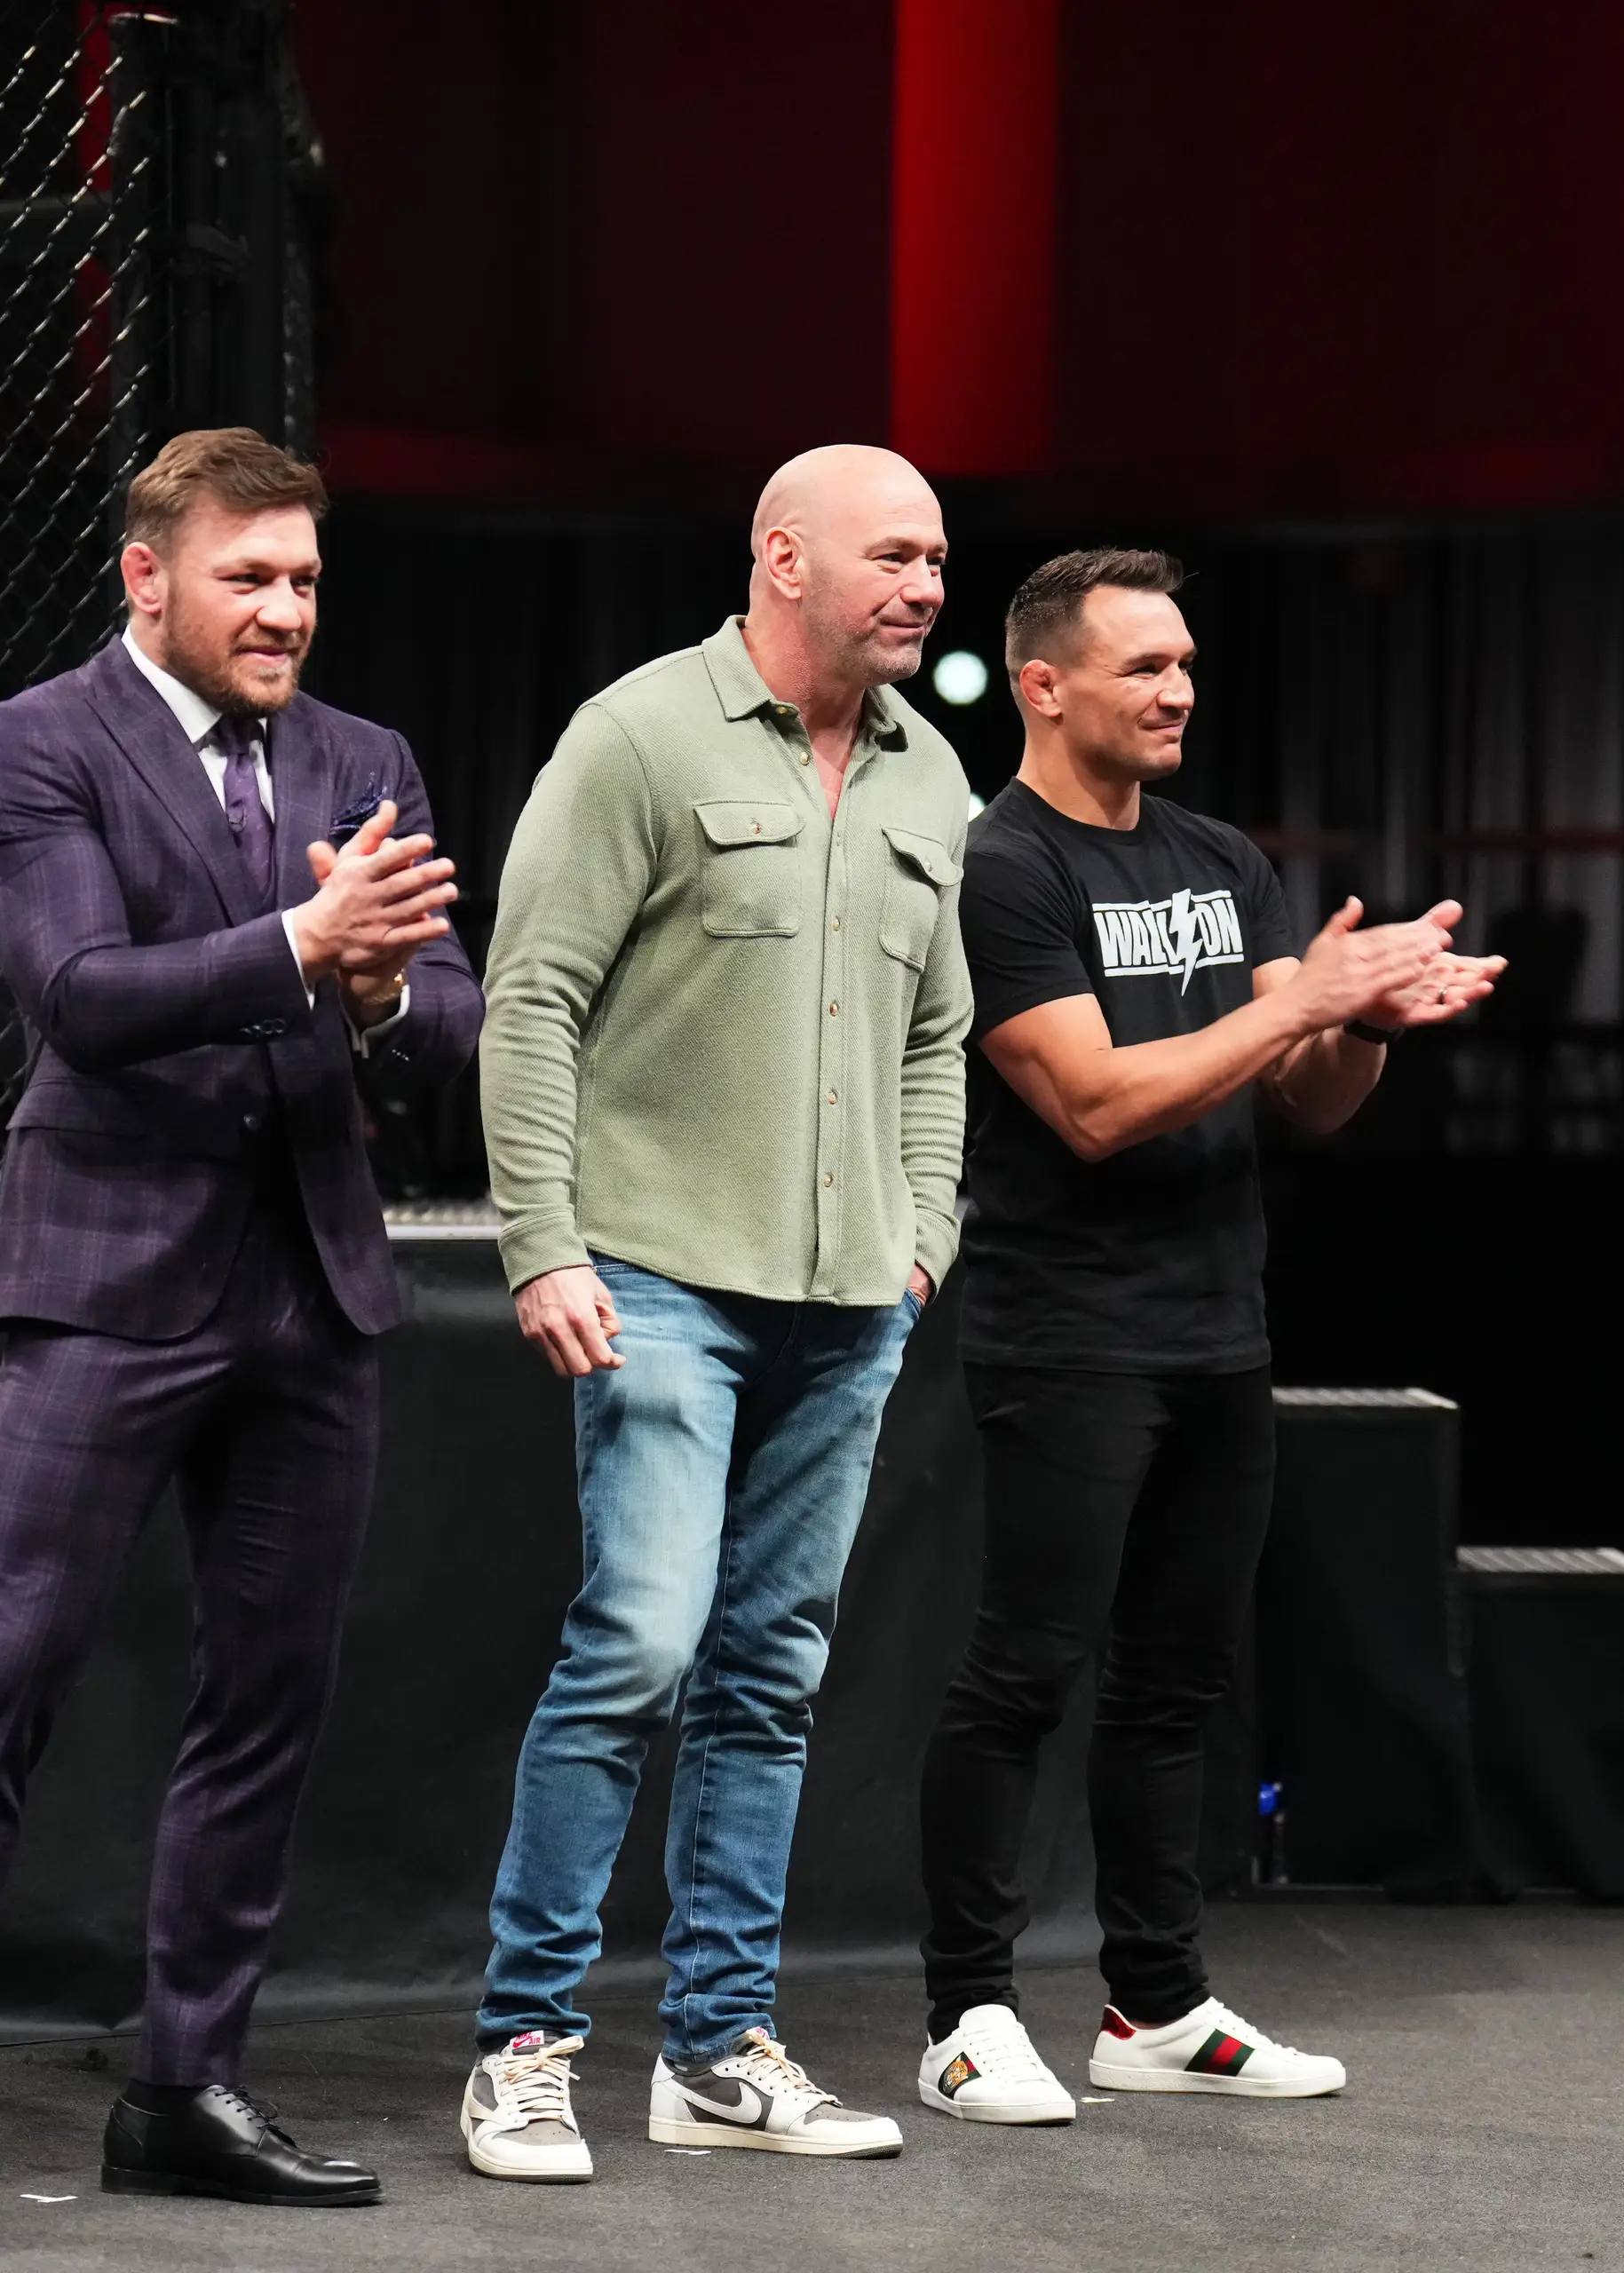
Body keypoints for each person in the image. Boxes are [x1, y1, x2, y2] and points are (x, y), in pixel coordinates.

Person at [0, 428, 479, 2233]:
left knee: (267, 1697)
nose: (285, 609)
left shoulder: (364, 757)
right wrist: (306, 942)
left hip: (317, 1279)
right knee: (5, 1676)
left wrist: (375, 995)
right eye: (246, 577)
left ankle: (186, 2083)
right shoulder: (28, 744)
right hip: (111, 1273)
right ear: (149, 576)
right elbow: (83, 994)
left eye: (302, 579)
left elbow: (448, 1007)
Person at [907, 549, 1501, 2126]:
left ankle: (1153, 2004)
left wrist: (1353, 1025)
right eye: (1141, 668)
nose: (1177, 691)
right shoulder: (1003, 868)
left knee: (1178, 1684)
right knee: (1023, 1675)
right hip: (1065, 1333)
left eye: (1184, 664)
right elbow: (1096, 1106)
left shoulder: (1218, 855)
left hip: (1217, 1330)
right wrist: (1299, 996)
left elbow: (1305, 1104)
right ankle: (966, 2013)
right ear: (1044, 686)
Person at [456, 445, 971, 2182]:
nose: (924, 584)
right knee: (643, 1643)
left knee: (770, 1670)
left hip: (851, 1303)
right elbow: (528, 1004)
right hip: (660, 1274)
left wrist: (926, 1237)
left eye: (940, 559)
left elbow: (935, 1038)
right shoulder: (640, 737)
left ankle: (717, 2050)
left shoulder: (934, 779)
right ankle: (524, 2042)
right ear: (783, 558)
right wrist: (545, 1243)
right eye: (893, 554)